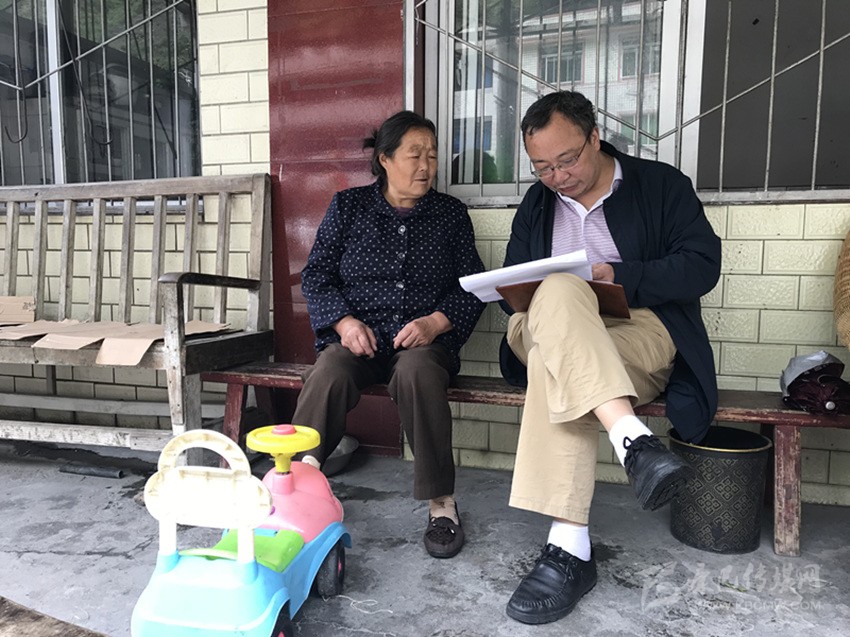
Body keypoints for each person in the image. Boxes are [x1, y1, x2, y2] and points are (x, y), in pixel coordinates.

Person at [499, 91, 721, 624]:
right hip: (540, 327)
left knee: (557, 367)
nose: (557, 177)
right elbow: (512, 283)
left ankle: (569, 547)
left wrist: (620, 275)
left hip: (637, 328)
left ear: (595, 138)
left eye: (567, 160)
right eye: (542, 167)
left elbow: (702, 266)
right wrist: (545, 288)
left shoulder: (661, 185)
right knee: (557, 291)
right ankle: (633, 442)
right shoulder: (538, 202)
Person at [292, 110, 486, 559]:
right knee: (330, 369)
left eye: (432, 156)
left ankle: (441, 502)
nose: (426, 166)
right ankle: (297, 482)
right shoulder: (348, 207)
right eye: (414, 155)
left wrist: (436, 322)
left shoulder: (450, 215)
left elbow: (473, 286)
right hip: (359, 338)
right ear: (384, 159)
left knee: (418, 372)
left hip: (422, 344)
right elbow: (316, 276)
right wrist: (344, 323)